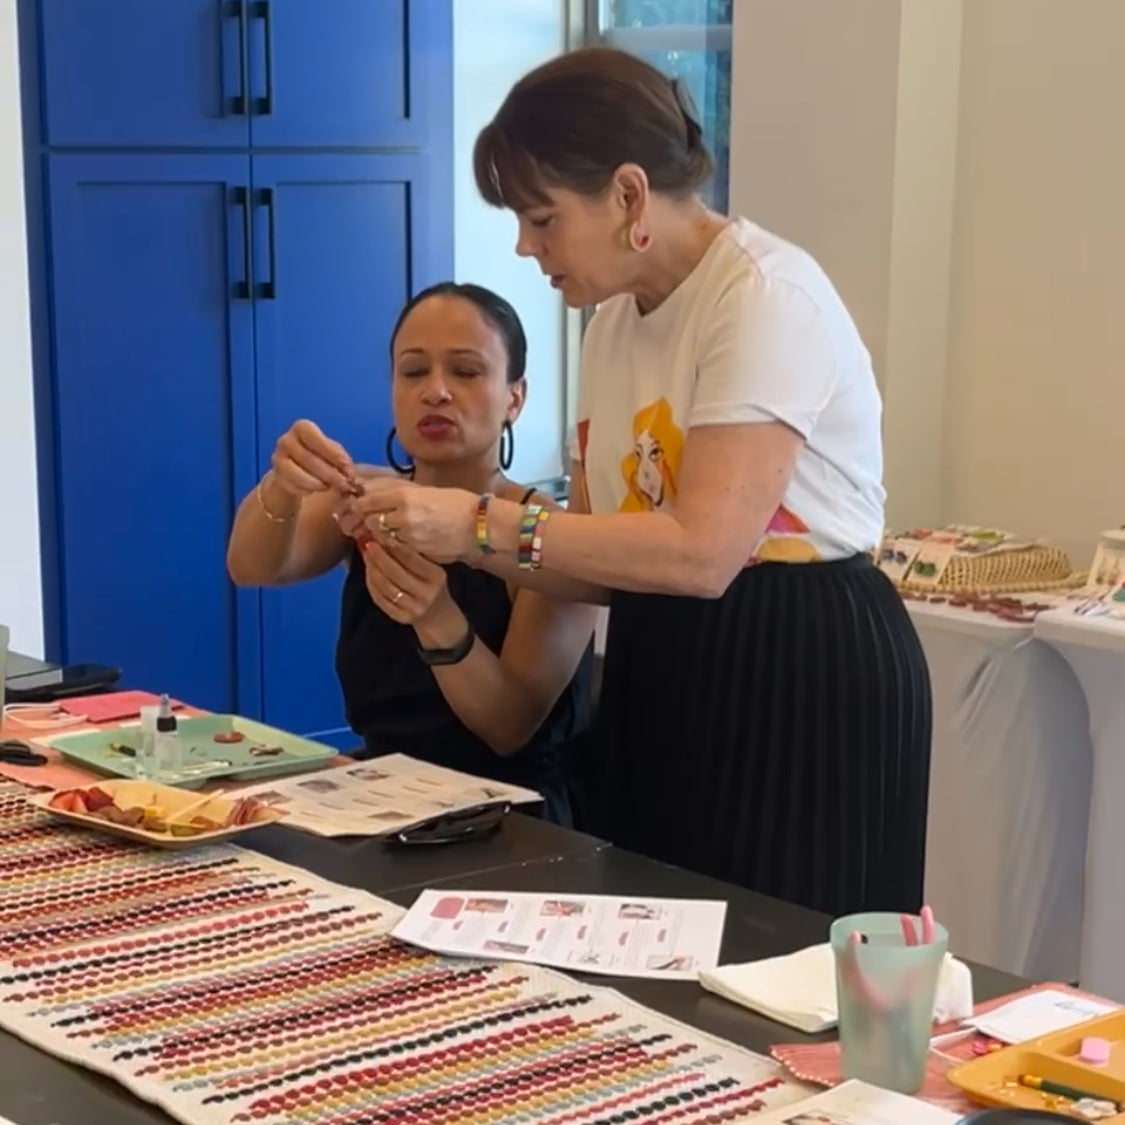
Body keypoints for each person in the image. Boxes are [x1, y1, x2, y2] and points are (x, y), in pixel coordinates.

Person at [348, 48, 933, 916]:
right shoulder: (612, 327)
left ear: (627, 196)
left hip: (798, 661)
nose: (525, 245)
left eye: (541, 219)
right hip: (666, 661)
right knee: (656, 944)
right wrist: (427, 541)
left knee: (786, 967)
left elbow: (703, 551)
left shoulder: (763, 297)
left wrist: (477, 521)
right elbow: (595, 562)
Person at [226, 282, 597, 825]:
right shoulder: (368, 498)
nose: (436, 392)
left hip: (514, 819)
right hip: (379, 800)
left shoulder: (547, 532)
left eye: (466, 372)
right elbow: (251, 567)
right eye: (414, 371)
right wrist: (283, 482)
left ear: (514, 398)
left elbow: (508, 729)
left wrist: (436, 617)